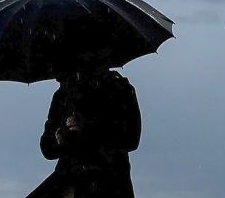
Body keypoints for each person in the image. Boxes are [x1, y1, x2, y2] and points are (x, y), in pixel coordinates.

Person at [26, 64, 141, 198]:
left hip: (110, 183)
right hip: (71, 181)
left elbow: (131, 140)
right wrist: (62, 135)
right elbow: (47, 148)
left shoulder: (119, 88)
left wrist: (88, 128)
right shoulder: (63, 95)